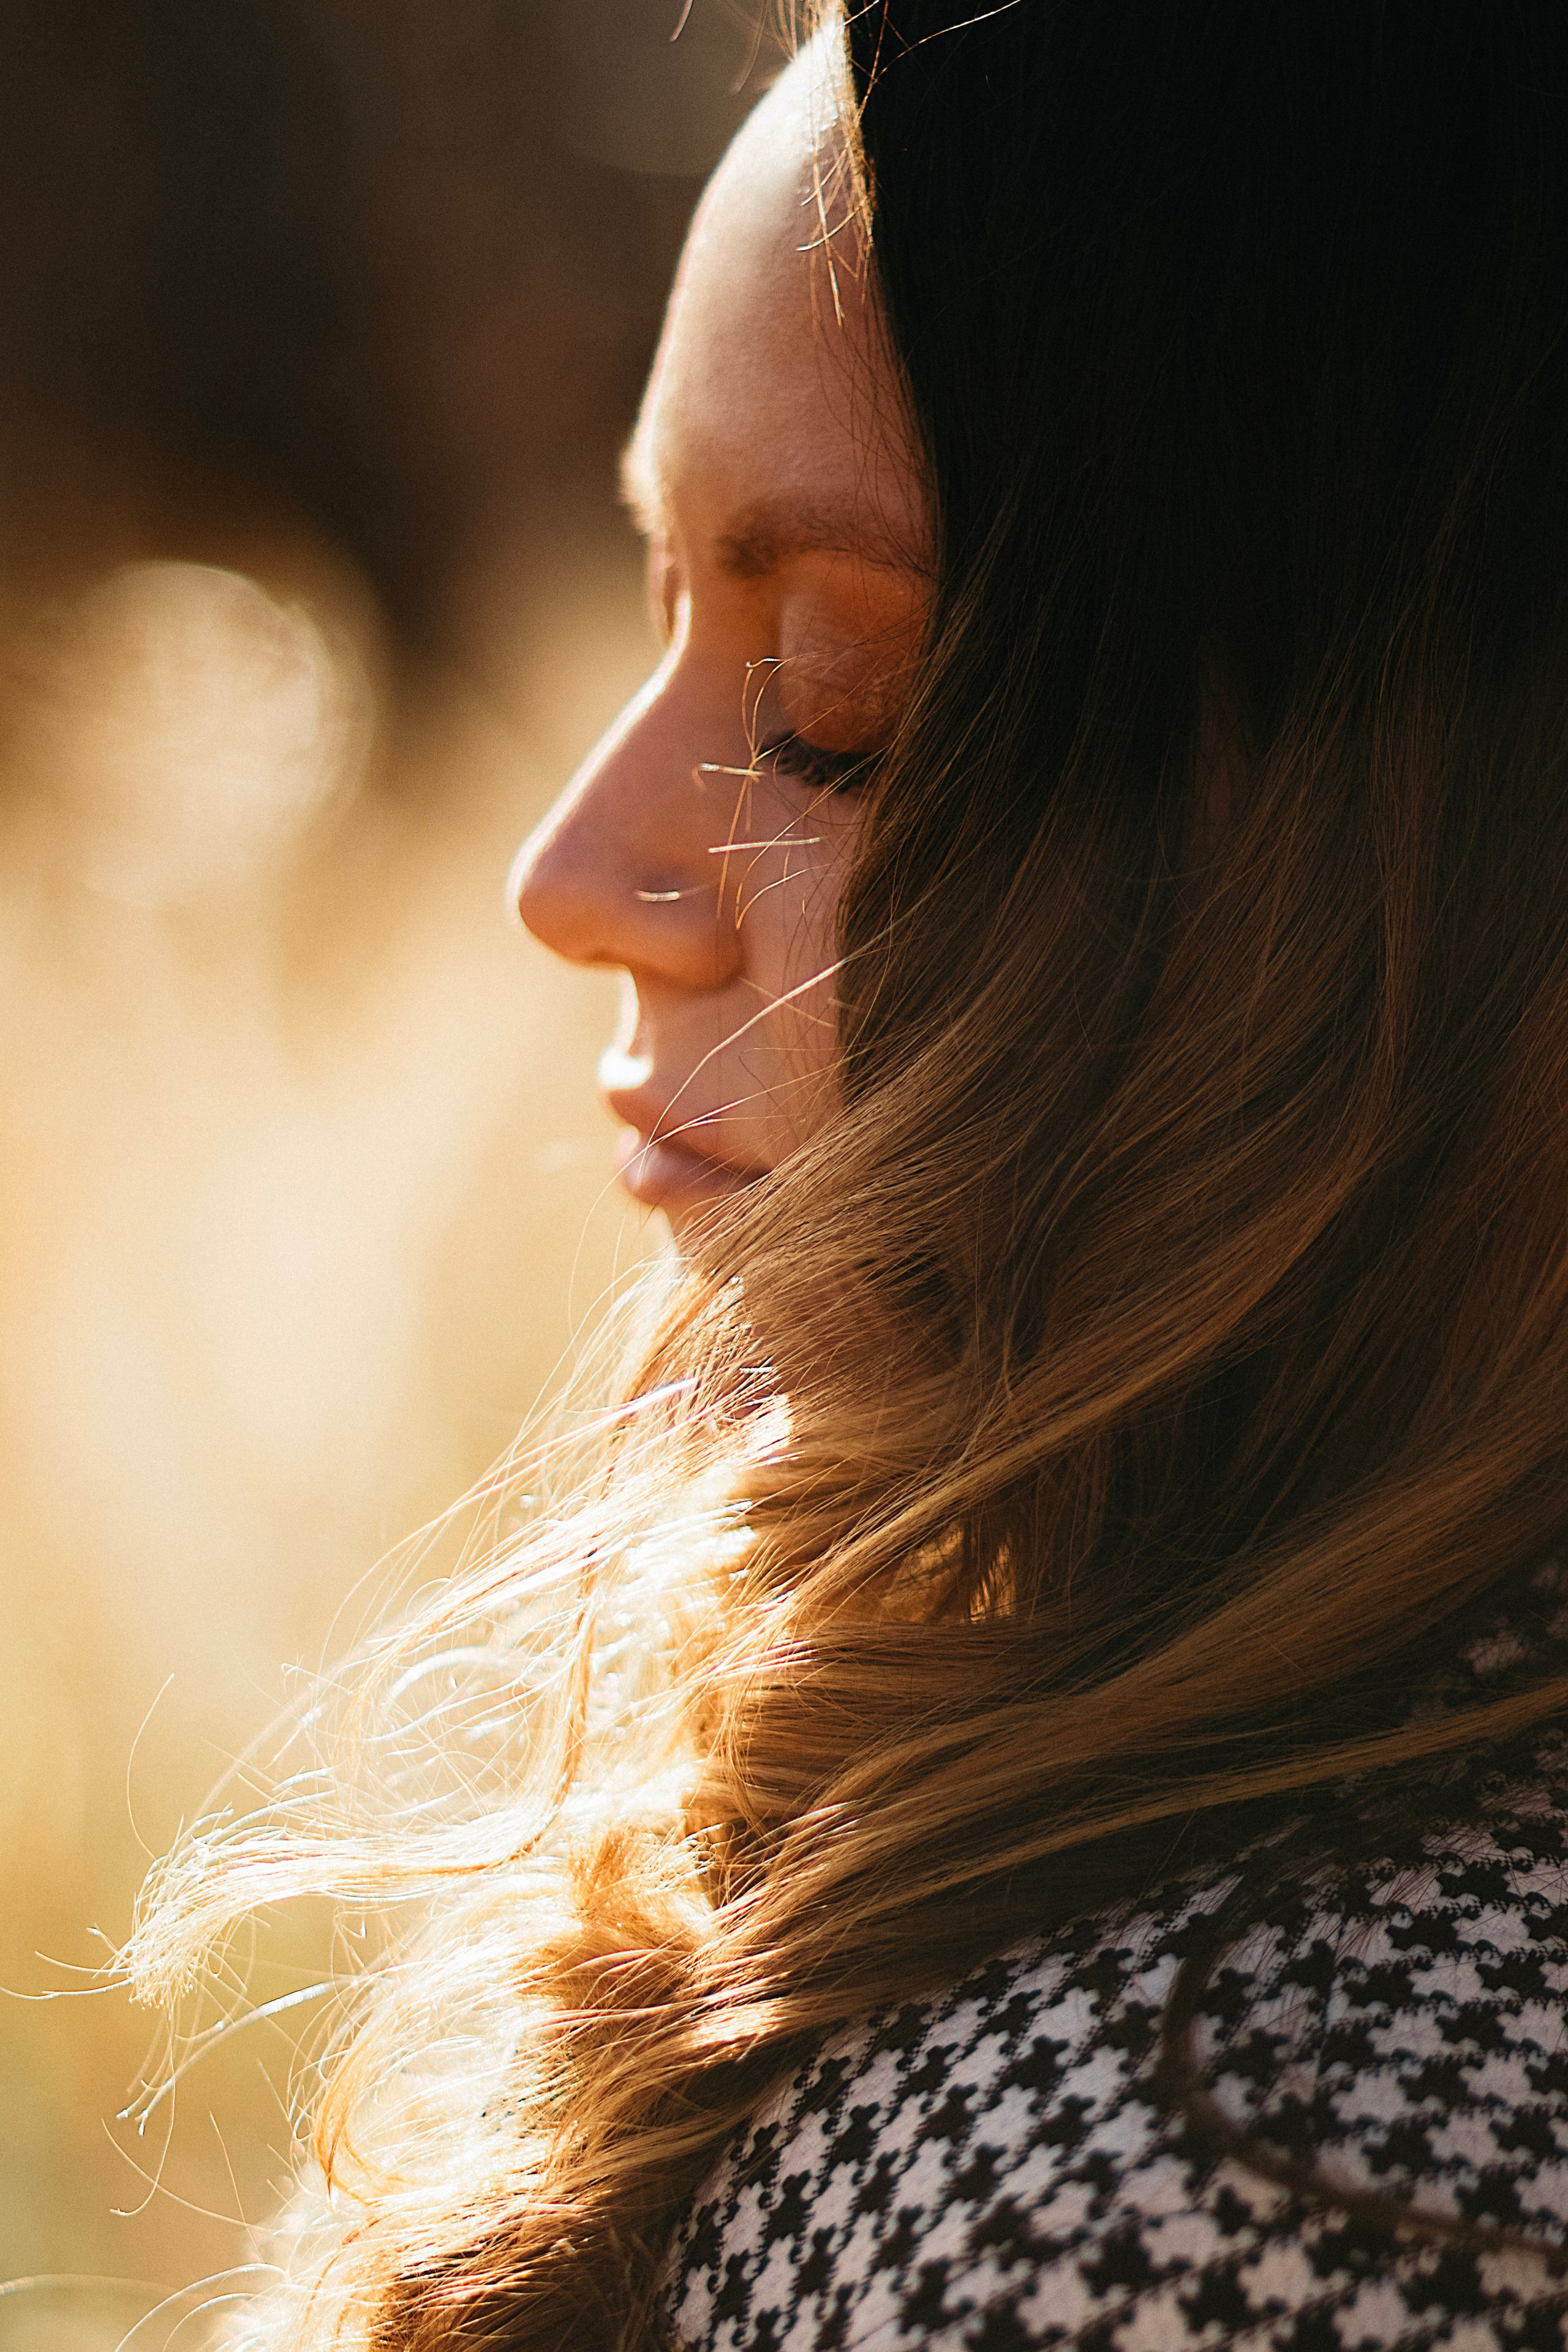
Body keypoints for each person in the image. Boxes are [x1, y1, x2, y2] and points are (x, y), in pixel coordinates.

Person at [132, 3, 1568, 2345]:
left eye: (833, 698)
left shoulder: (1239, 2199)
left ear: (1391, 849)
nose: (572, 871)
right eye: (660, 604)